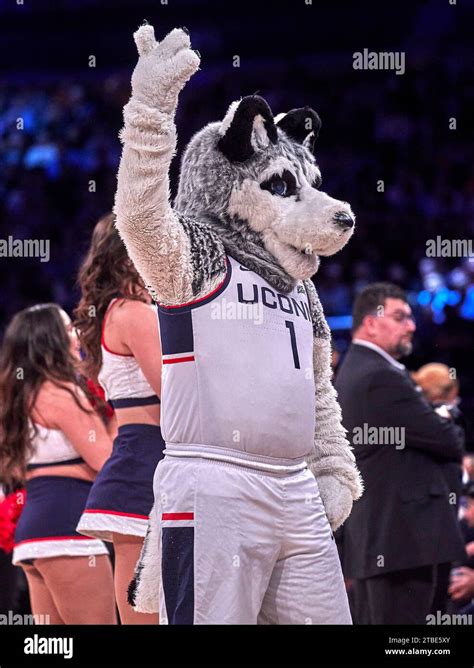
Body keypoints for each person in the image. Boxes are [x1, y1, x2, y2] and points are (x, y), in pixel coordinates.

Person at [335, 282, 466, 624]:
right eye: (400, 317)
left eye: (410, 317)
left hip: (387, 542)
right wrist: (445, 414)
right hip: (402, 544)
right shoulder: (380, 376)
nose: (411, 325)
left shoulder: (359, 368)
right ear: (371, 322)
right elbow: (448, 441)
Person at [0, 304, 116, 624]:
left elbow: (19, 471)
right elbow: (106, 460)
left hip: (32, 538)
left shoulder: (15, 398)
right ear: (49, 341)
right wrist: (123, 407)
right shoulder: (61, 393)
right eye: (66, 329)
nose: (75, 335)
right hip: (69, 529)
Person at [74, 213, 164, 624]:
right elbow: (176, 391)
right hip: (148, 465)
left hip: (137, 463)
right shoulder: (133, 313)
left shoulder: (115, 311)